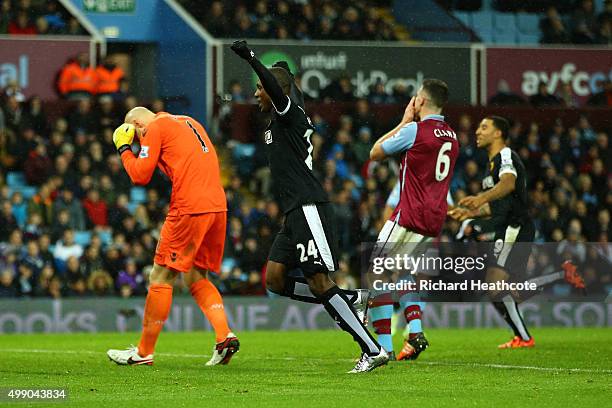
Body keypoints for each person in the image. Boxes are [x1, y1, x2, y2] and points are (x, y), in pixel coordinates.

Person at [230, 40, 387, 373]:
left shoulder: (291, 115)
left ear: (276, 92)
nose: (257, 93)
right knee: (274, 278)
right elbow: (282, 81)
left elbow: (277, 86)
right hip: (293, 214)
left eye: (260, 88)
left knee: (318, 281)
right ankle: (348, 300)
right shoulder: (279, 120)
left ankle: (371, 349)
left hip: (308, 206)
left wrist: (253, 59)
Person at [107, 107, 239, 366]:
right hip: (217, 206)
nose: (138, 141)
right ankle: (224, 336)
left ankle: (143, 353)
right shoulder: (188, 120)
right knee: (196, 275)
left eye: (134, 135)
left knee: (160, 275)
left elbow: (140, 175)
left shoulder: (155, 127)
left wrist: (124, 149)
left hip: (189, 207)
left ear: (136, 124)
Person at [448, 116, 584, 349]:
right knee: (502, 289)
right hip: (507, 227)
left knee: (498, 287)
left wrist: (480, 198)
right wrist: (469, 213)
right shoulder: (491, 163)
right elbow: (498, 204)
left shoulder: (506, 156)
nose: (477, 132)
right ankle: (523, 335)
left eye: (484, 127)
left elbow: (509, 183)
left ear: (498, 133)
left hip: (515, 227)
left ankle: (560, 277)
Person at [368, 79, 459, 361]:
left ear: (420, 101)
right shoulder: (452, 136)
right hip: (433, 220)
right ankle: (416, 330)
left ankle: (383, 347)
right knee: (402, 271)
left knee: (376, 274)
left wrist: (404, 120)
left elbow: (375, 153)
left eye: (416, 98)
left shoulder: (415, 130)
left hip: (409, 214)